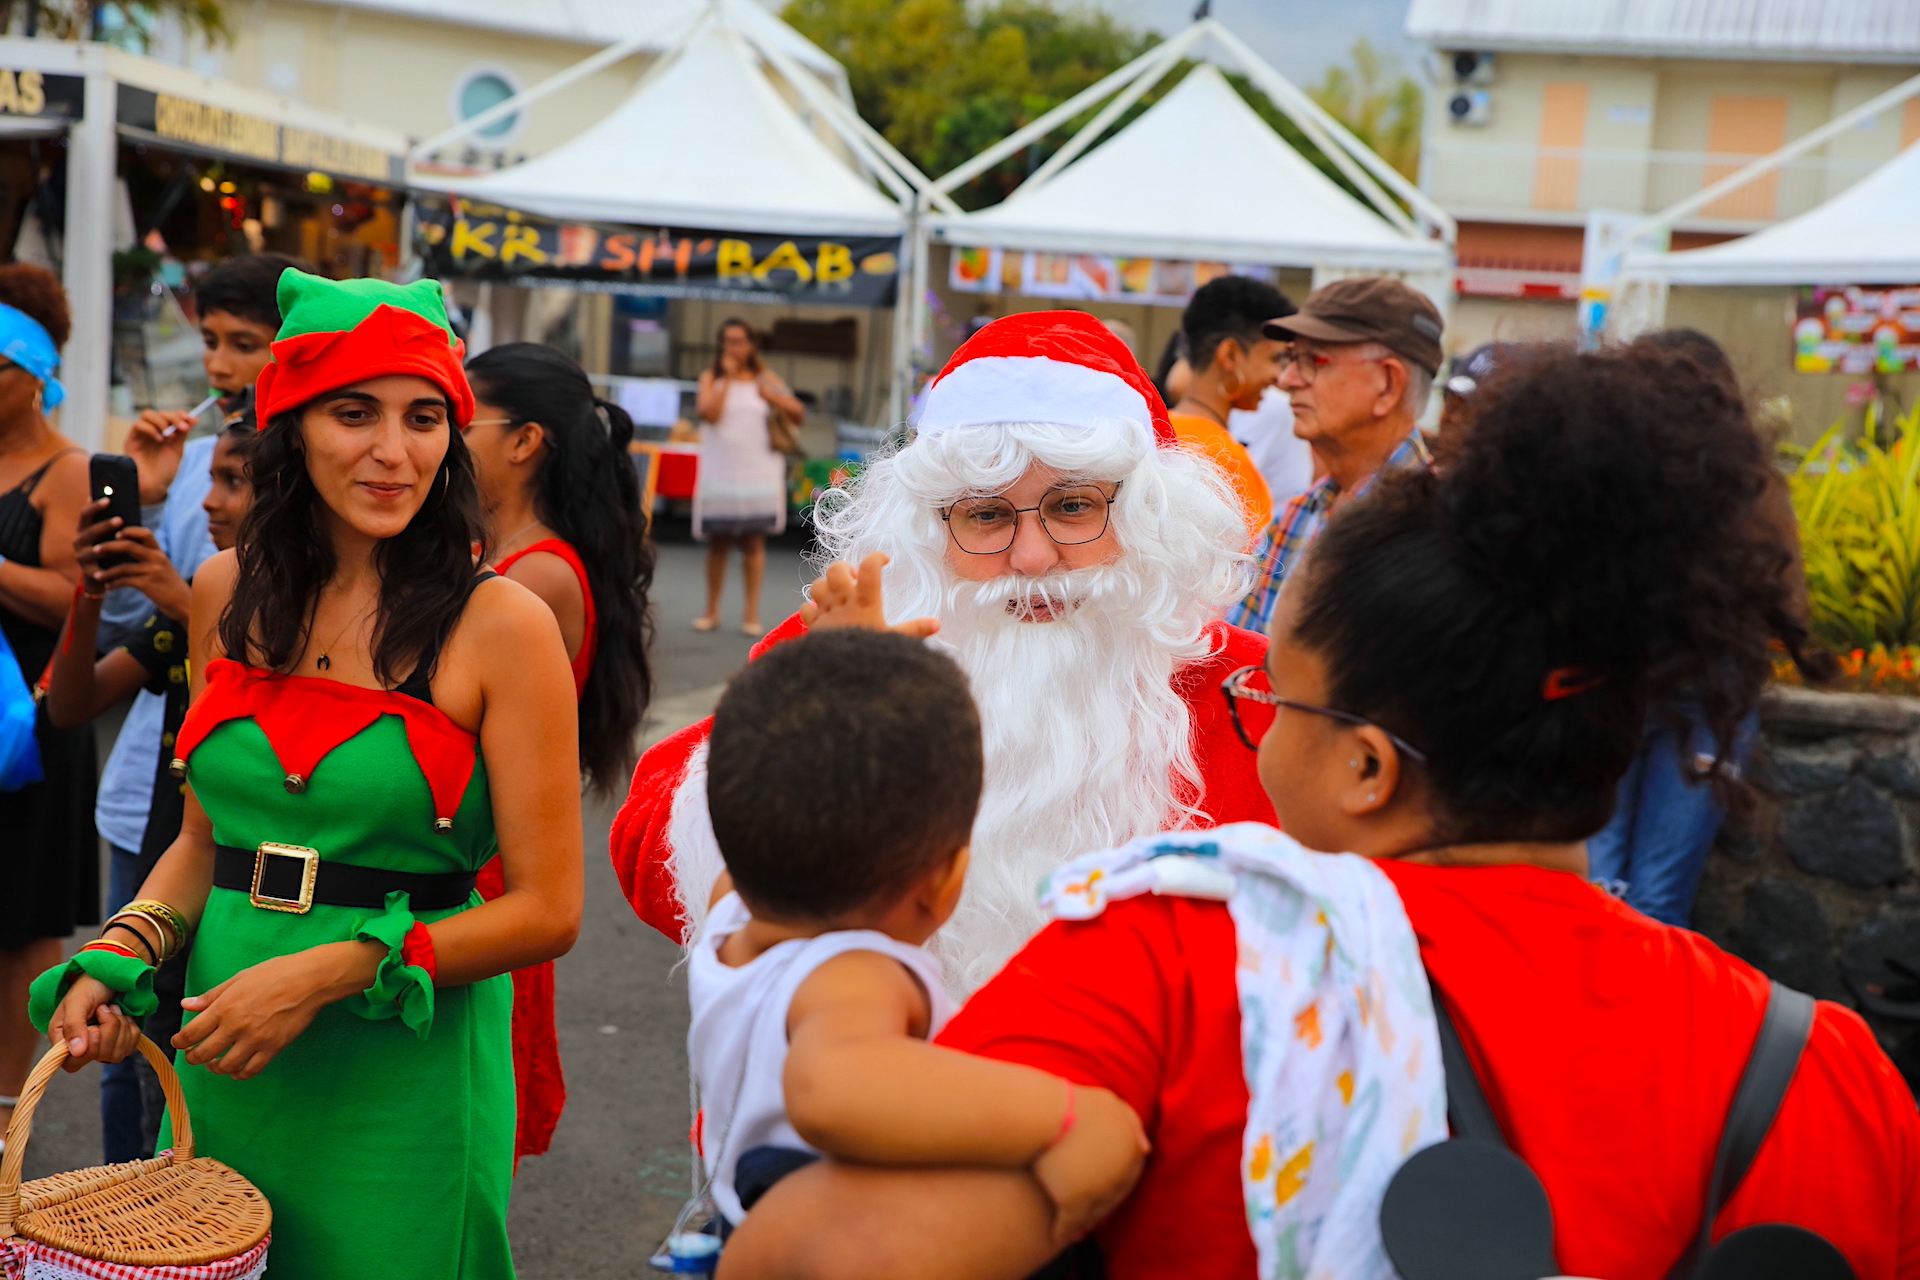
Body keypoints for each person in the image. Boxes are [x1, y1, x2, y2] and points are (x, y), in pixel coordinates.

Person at [719, 341, 1920, 1280]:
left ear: (1366, 768)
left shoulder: (1174, 956)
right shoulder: (1831, 1068)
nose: (1253, 710)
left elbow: (810, 1256)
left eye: (1274, 694)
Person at [33, 270, 584, 1280]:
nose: (393, 450)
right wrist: (117, 959)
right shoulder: (223, 590)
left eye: (425, 417)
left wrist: (327, 971)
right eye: (353, 411)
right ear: (290, 424)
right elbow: (204, 842)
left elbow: (549, 909)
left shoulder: (504, 623)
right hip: (228, 1043)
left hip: (403, 1060)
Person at [613, 310, 1270, 994]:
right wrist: (829, 719)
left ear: (1150, 515)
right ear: (928, 534)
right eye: (985, 516)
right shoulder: (862, 636)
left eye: (1074, 507)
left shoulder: (1252, 690)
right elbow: (647, 851)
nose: (1034, 558)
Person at [690, 628, 1146, 1243]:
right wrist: (1067, 1114)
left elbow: (787, 780)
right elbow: (829, 1088)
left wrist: (832, 669)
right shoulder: (851, 975)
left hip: (741, 1228)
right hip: (834, 1243)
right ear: (948, 879)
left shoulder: (732, 911)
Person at [87, 253, 295, 1162]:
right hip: (156, 784)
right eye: (210, 340)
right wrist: (155, 488)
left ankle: (182, 1222)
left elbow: (247, 641)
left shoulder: (309, 487)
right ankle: (117, 1230)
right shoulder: (201, 462)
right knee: (120, 1036)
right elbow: (133, 630)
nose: (219, 365)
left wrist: (185, 596)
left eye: (244, 344)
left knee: (199, 1032)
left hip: (249, 802)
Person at [464, 341, 658, 1163]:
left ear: (524, 440)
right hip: (471, 854)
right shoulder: (506, 555)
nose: (437, 437)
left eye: (453, 417)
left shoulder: (534, 575)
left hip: (482, 869)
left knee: (455, 1137)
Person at [48, 416, 255, 1159]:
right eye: (212, 478)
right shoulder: (190, 616)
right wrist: (91, 591)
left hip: (237, 905)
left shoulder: (243, 613)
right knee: (133, 1073)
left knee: (187, 1092)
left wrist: (183, 597)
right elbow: (71, 703)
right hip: (167, 870)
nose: (207, 502)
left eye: (235, 481)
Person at [1585, 328, 1829, 928]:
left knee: (1600, 889)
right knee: (1659, 901)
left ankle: (1592, 1015)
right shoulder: (1755, 484)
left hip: (1615, 689)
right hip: (1711, 702)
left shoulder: (1609, 474)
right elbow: (1791, 604)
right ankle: (1637, 1019)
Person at [0, 265, 93, 1152]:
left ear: (35, 370)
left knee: (23, 918)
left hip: (29, 723)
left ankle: (2, 1121)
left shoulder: (67, 471)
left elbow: (80, 596)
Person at [1226, 276, 1442, 634]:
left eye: (1313, 360)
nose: (1288, 379)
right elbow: (1239, 660)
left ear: (1387, 384)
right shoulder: (1295, 517)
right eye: (1291, 358)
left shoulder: (1439, 525)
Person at [693, 319, 802, 637]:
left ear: (752, 344)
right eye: (727, 340)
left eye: (740, 341)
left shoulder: (766, 378)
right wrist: (726, 378)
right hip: (721, 471)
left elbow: (797, 413)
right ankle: (711, 610)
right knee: (718, 543)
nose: (733, 347)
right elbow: (709, 414)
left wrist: (773, 397)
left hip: (758, 471)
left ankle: (750, 613)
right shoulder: (711, 377)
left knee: (754, 543)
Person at [1167, 275, 1291, 544]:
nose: (1279, 377)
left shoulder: (1152, 431)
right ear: (1230, 356)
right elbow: (1254, 571)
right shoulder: (1226, 461)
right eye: (1274, 359)